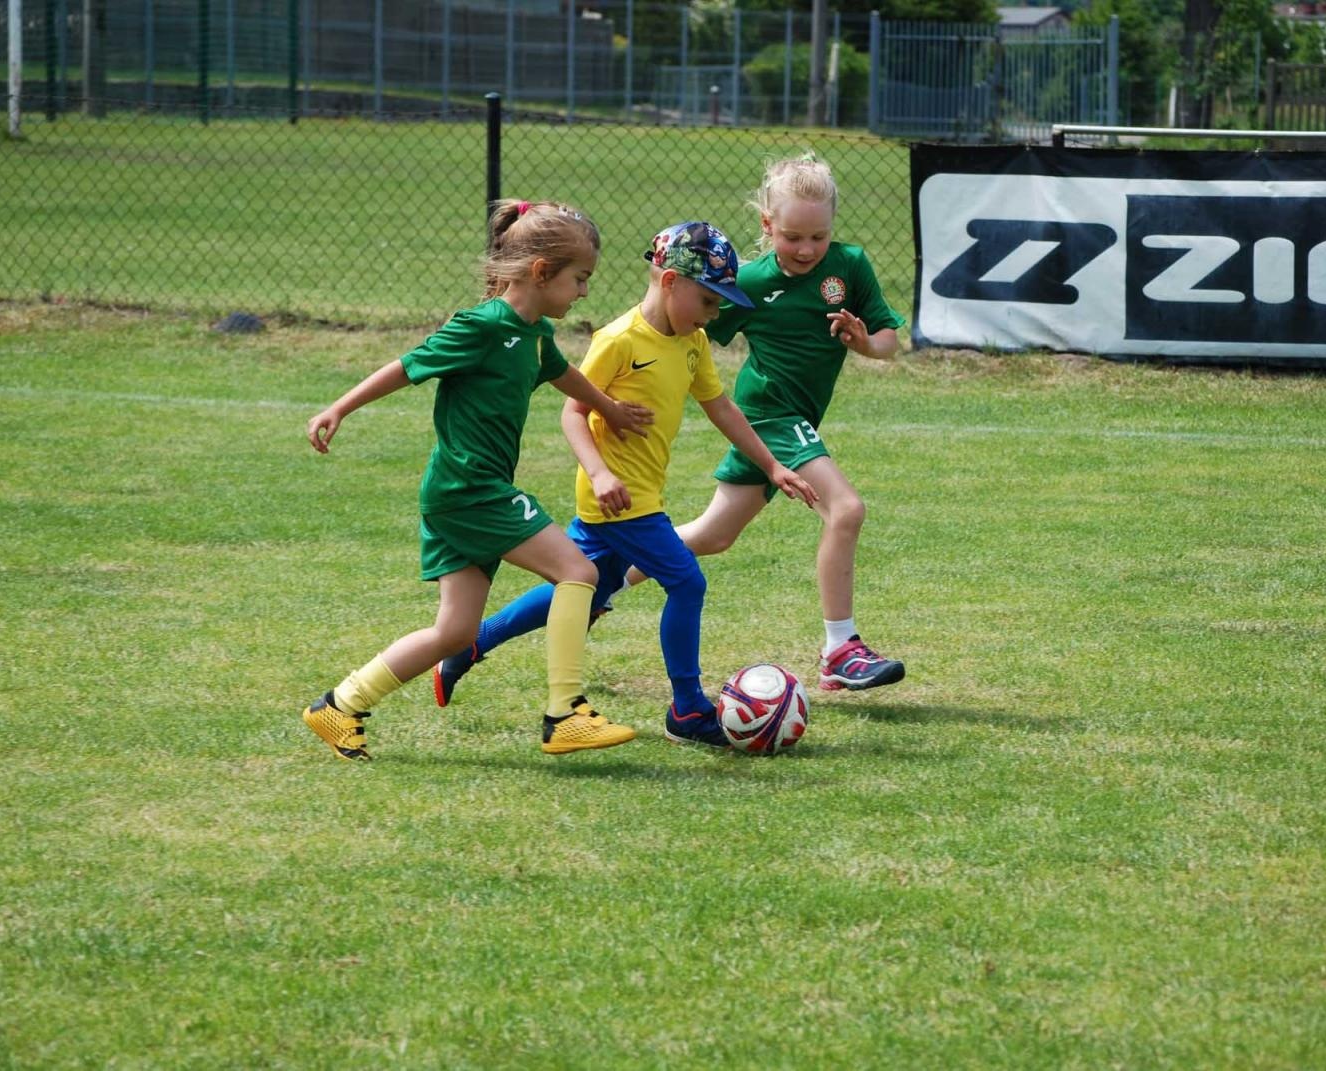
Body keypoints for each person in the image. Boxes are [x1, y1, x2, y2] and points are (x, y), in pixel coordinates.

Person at [431, 221, 818, 748]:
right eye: (707, 301)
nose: (712, 316)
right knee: (687, 582)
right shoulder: (618, 340)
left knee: (589, 591)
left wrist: (772, 466)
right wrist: (600, 471)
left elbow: (721, 406)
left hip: (639, 495)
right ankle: (687, 711)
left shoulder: (693, 343)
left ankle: (472, 644)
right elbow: (573, 413)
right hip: (617, 497)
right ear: (669, 282)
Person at [299, 199, 653, 760]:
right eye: (579, 279)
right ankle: (565, 712)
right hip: (470, 489)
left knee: (456, 634)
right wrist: (339, 408)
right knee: (578, 570)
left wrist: (608, 408)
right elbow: (409, 365)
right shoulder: (483, 326)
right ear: (541, 273)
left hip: (461, 495)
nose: (584, 292)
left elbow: (562, 375)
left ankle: (339, 707)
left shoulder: (534, 333)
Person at [618, 154, 907, 692]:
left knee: (714, 534)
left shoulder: (851, 266)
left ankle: (606, 582)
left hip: (781, 423)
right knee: (845, 510)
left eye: (818, 237)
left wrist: (865, 341)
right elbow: (682, 322)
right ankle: (841, 648)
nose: (805, 250)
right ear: (767, 226)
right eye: (792, 236)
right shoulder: (748, 281)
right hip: (770, 414)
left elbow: (890, 342)